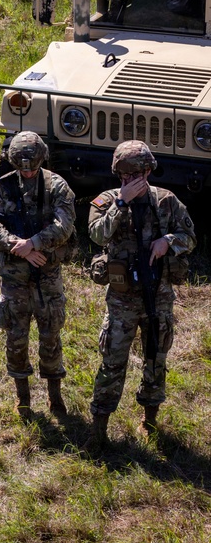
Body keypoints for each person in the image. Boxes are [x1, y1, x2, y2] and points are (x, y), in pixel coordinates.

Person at [87, 140, 195, 447]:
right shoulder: (106, 201)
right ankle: (98, 430)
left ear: (148, 172)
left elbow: (190, 237)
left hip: (158, 295)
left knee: (155, 358)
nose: (130, 180)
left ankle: (150, 420)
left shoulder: (166, 201)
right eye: (124, 175)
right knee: (112, 361)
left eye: (136, 174)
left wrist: (168, 241)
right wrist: (120, 204)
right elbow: (97, 235)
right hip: (122, 299)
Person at [0, 131, 76, 418]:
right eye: (22, 167)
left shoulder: (56, 186)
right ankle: (22, 397)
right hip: (14, 276)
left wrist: (34, 243)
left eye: (32, 166)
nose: (27, 171)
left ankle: (54, 396)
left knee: (51, 336)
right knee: (16, 337)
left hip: (47, 275)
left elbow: (65, 224)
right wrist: (18, 247)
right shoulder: (3, 187)